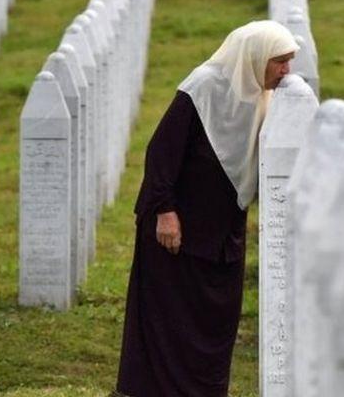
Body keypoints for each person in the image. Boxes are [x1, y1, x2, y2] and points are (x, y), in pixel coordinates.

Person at [114, 20, 299, 396]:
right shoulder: (203, 86)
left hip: (222, 234)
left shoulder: (260, 95)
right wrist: (164, 211)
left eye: (289, 61)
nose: (286, 71)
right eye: (279, 61)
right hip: (175, 231)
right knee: (169, 321)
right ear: (256, 57)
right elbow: (161, 152)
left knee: (215, 322)